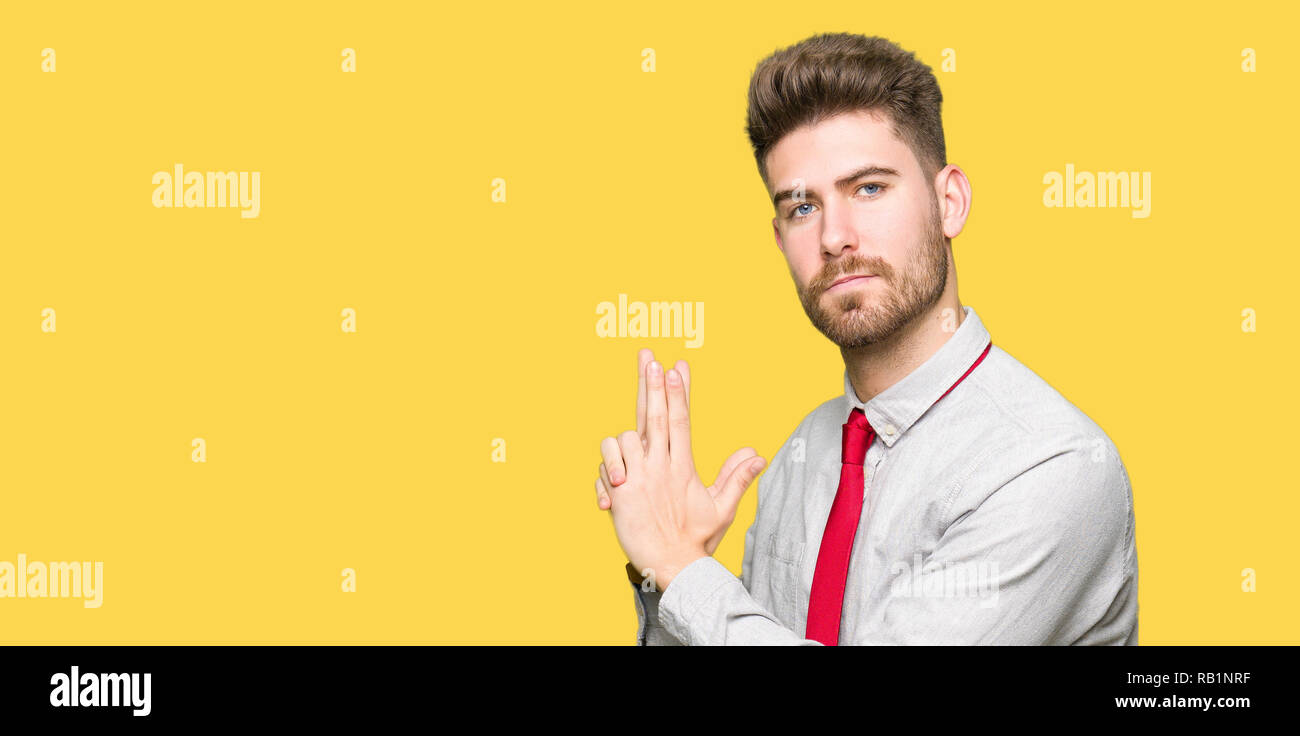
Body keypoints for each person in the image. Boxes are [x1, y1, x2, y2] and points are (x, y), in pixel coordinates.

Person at [594, 32, 1138, 645]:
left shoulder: (1046, 467)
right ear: (779, 240)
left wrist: (683, 571)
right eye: (802, 208)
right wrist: (662, 575)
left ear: (949, 202)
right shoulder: (804, 455)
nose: (834, 237)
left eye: (869, 188)